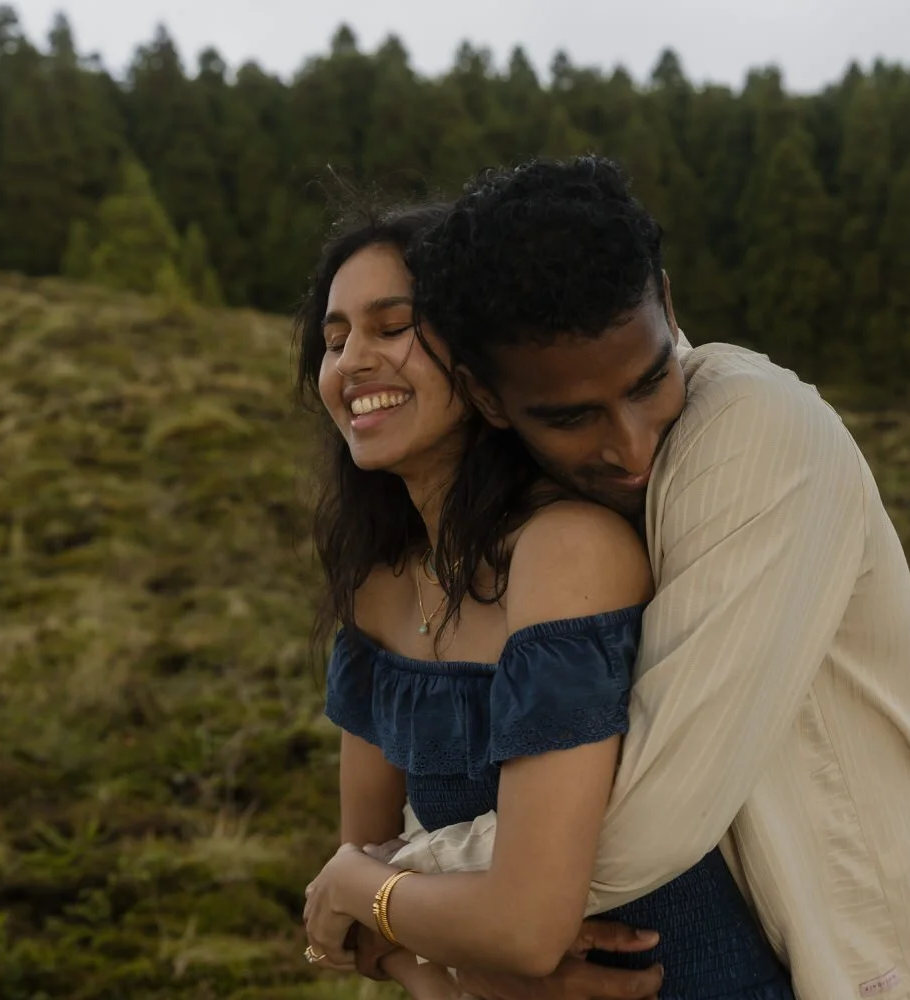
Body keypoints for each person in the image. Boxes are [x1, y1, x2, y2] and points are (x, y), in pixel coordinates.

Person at [323, 157, 910, 1000]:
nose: (631, 448)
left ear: (668, 305)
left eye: (648, 383)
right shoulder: (429, 564)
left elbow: (633, 830)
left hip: (849, 967)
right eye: (570, 418)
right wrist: (436, 943)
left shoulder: (755, 438)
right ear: (491, 398)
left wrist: (381, 890)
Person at [295, 200, 798, 1000]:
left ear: (479, 366)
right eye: (334, 340)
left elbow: (520, 926)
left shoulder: (564, 551)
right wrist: (448, 973)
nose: (353, 359)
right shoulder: (379, 585)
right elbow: (366, 906)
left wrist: (365, 892)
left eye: (392, 327)